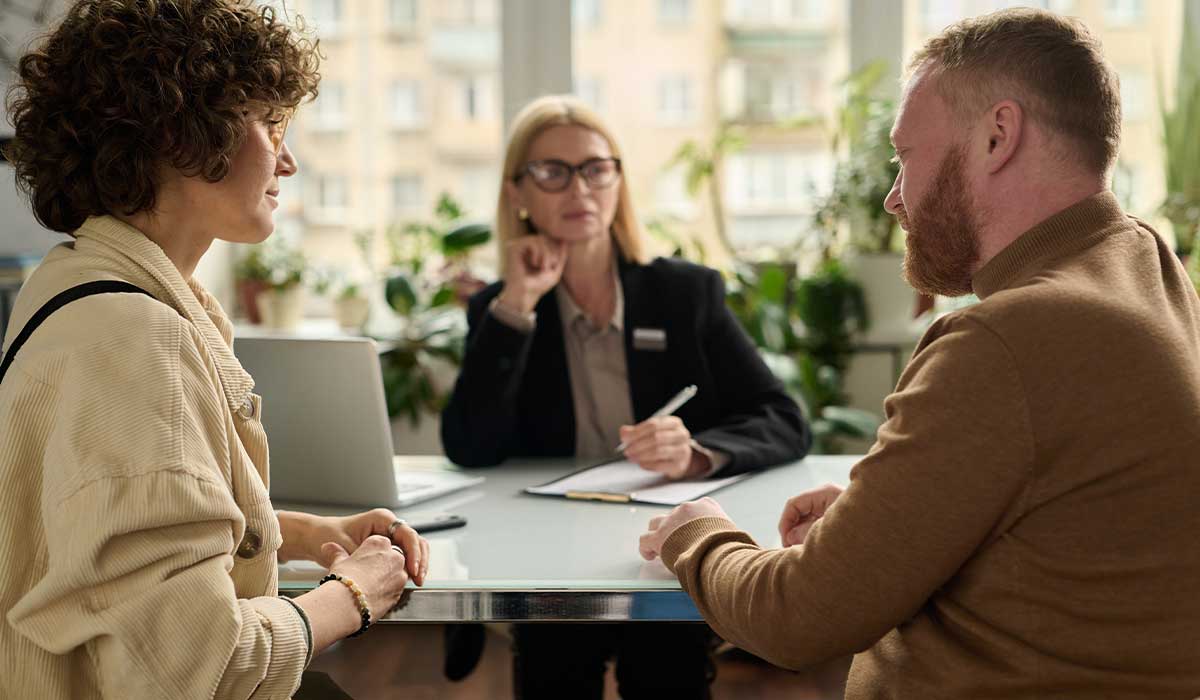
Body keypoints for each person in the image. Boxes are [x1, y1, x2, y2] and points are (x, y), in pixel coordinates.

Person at [638, 8, 1200, 699]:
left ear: (998, 136)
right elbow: (1087, 515)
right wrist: (897, 515)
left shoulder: (1008, 338)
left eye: (905, 158)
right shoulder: (1141, 259)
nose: (892, 199)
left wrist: (697, 533)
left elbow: (796, 618)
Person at [0, 3, 429, 698]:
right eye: (269, 123)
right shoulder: (138, 340)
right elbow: (199, 667)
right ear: (179, 133)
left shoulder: (78, 284)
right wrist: (354, 593)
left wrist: (305, 531)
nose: (288, 161)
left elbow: (114, 545)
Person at [440, 95, 811, 698]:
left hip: (660, 538)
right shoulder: (501, 309)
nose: (578, 188)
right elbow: (469, 445)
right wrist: (518, 306)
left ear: (617, 181)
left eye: (594, 168)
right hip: (548, 547)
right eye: (551, 172)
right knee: (553, 673)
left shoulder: (685, 293)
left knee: (665, 672)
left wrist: (697, 454)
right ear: (518, 194)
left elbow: (783, 418)